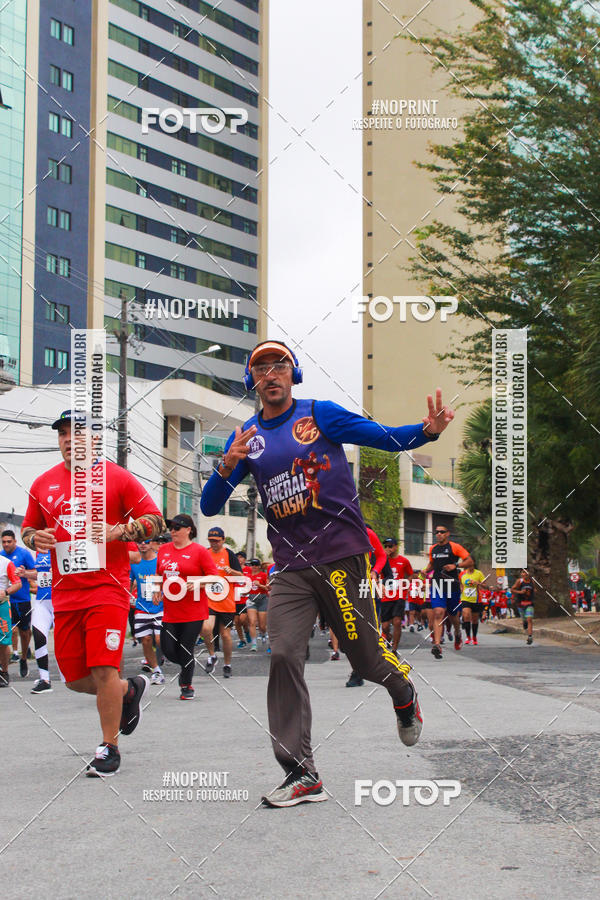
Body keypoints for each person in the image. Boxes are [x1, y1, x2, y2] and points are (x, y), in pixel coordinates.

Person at [200, 339, 454, 807]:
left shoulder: (321, 414)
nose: (271, 373)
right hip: (290, 569)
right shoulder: (247, 438)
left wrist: (427, 430)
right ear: (251, 380)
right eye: (261, 367)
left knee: (366, 660)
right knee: (283, 654)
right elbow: (210, 505)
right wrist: (228, 464)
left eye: (280, 365)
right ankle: (302, 773)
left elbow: (384, 437)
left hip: (341, 558)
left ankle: (403, 691)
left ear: (293, 374)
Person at [21, 409, 165, 776]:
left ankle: (108, 748)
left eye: (78, 432)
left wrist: (120, 531)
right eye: (63, 433)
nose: (69, 439)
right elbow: (28, 529)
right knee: (73, 679)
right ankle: (128, 691)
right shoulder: (43, 484)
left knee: (103, 669)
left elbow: (155, 520)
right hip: (65, 594)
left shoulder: (117, 478)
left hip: (107, 589)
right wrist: (35, 538)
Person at [157, 515, 218, 699]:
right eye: (171, 528)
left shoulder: (199, 551)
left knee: (185, 648)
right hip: (170, 611)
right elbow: (159, 574)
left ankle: (186, 685)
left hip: (193, 611)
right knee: (168, 649)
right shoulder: (164, 550)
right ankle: (186, 663)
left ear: (188, 530)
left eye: (177, 528)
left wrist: (198, 582)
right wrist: (156, 590)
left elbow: (214, 576)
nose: (173, 531)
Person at [202, 526, 243, 677]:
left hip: (226, 602)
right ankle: (212, 655)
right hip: (209, 600)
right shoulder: (205, 553)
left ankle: (227, 664)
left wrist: (232, 571)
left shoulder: (229, 554)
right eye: (211, 540)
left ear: (223, 540)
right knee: (206, 628)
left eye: (216, 541)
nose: (213, 543)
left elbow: (241, 576)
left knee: (225, 635)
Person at [428, 526, 473, 659]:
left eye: (442, 532)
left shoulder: (455, 547)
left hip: (452, 584)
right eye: (437, 532)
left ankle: (457, 633)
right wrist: (425, 570)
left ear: (447, 534)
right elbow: (432, 564)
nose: (439, 534)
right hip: (437, 584)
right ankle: (437, 645)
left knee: (453, 616)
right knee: (438, 612)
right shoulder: (433, 549)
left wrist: (456, 565)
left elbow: (470, 561)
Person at [1, 530, 36, 677]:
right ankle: (13, 655)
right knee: (11, 630)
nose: (6, 544)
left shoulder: (24, 554)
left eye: (9, 541)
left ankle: (23, 658)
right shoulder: (2, 557)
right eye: (4, 542)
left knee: (24, 631)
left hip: (22, 598)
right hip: (6, 601)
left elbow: (34, 571)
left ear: (15, 541)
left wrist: (24, 573)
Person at [130, 540, 164, 684]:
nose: (143, 544)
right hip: (141, 607)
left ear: (152, 543)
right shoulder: (134, 563)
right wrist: (128, 594)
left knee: (159, 639)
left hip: (160, 607)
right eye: (140, 542)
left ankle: (164, 655)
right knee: (145, 640)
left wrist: (164, 593)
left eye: (146, 541)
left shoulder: (159, 561)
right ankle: (156, 671)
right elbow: (129, 582)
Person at [380, 537, 413, 654]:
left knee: (397, 622)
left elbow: (410, 575)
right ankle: (388, 636)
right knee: (385, 626)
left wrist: (406, 584)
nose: (387, 548)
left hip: (399, 595)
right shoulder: (382, 560)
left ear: (395, 547)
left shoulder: (404, 561)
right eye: (386, 546)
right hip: (386, 595)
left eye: (390, 546)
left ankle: (394, 649)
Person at [30, 548, 55, 692]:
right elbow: (39, 574)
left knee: (66, 640)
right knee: (39, 636)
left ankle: (81, 675)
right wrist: (25, 573)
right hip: (42, 600)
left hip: (60, 600)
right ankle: (44, 679)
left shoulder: (61, 545)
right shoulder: (39, 551)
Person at [0, 554, 22, 686]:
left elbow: (17, 583)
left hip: (1, 606)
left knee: (3, 642)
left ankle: (4, 672)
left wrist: (6, 592)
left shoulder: (6, 563)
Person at [459, 561, 486, 645]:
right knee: (466, 615)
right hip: (465, 599)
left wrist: (478, 583)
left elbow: (485, 586)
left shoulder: (479, 573)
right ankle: (468, 637)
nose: (470, 566)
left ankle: (474, 637)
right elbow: (460, 584)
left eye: (471, 564)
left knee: (475, 620)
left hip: (476, 599)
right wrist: (461, 590)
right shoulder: (462, 574)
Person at [246, 558, 270, 652]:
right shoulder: (247, 576)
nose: (254, 567)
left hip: (263, 599)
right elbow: (244, 589)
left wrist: (260, 585)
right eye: (252, 565)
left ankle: (263, 634)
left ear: (259, 566)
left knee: (262, 626)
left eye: (256, 565)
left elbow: (268, 588)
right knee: (252, 622)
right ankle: (254, 644)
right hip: (251, 600)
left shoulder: (263, 575)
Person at [511, 569, 535, 644]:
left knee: (529, 619)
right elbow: (512, 589)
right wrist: (520, 592)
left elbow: (534, 589)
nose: (525, 574)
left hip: (529, 603)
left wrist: (534, 591)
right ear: (521, 574)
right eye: (523, 572)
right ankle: (524, 622)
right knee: (525, 620)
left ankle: (530, 636)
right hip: (521, 604)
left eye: (526, 572)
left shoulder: (532, 581)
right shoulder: (519, 581)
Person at [234, 551, 251, 647]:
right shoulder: (233, 570)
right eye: (237, 557)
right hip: (235, 599)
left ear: (244, 559)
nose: (239, 559)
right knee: (236, 622)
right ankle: (242, 640)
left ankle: (247, 631)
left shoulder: (249, 570)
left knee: (243, 619)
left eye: (241, 557)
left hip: (245, 600)